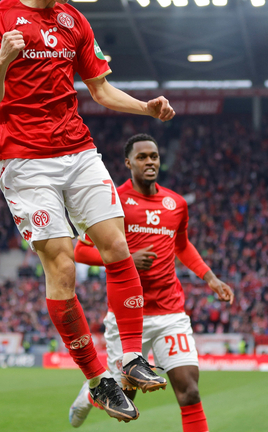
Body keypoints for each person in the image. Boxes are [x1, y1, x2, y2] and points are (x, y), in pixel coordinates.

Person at [0, 0, 175, 423]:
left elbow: (102, 89)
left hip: (78, 150)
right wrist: (2, 62)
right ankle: (97, 379)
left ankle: (130, 356)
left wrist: (146, 109)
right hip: (25, 160)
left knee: (116, 245)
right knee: (62, 265)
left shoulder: (74, 22)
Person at [69, 134, 234, 431]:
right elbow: (80, 250)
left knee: (190, 390)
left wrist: (210, 278)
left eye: (154, 156)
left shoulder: (176, 203)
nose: (150, 162)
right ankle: (91, 393)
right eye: (142, 157)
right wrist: (127, 257)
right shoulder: (112, 200)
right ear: (128, 162)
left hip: (170, 311)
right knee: (124, 396)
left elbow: (181, 245)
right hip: (127, 314)